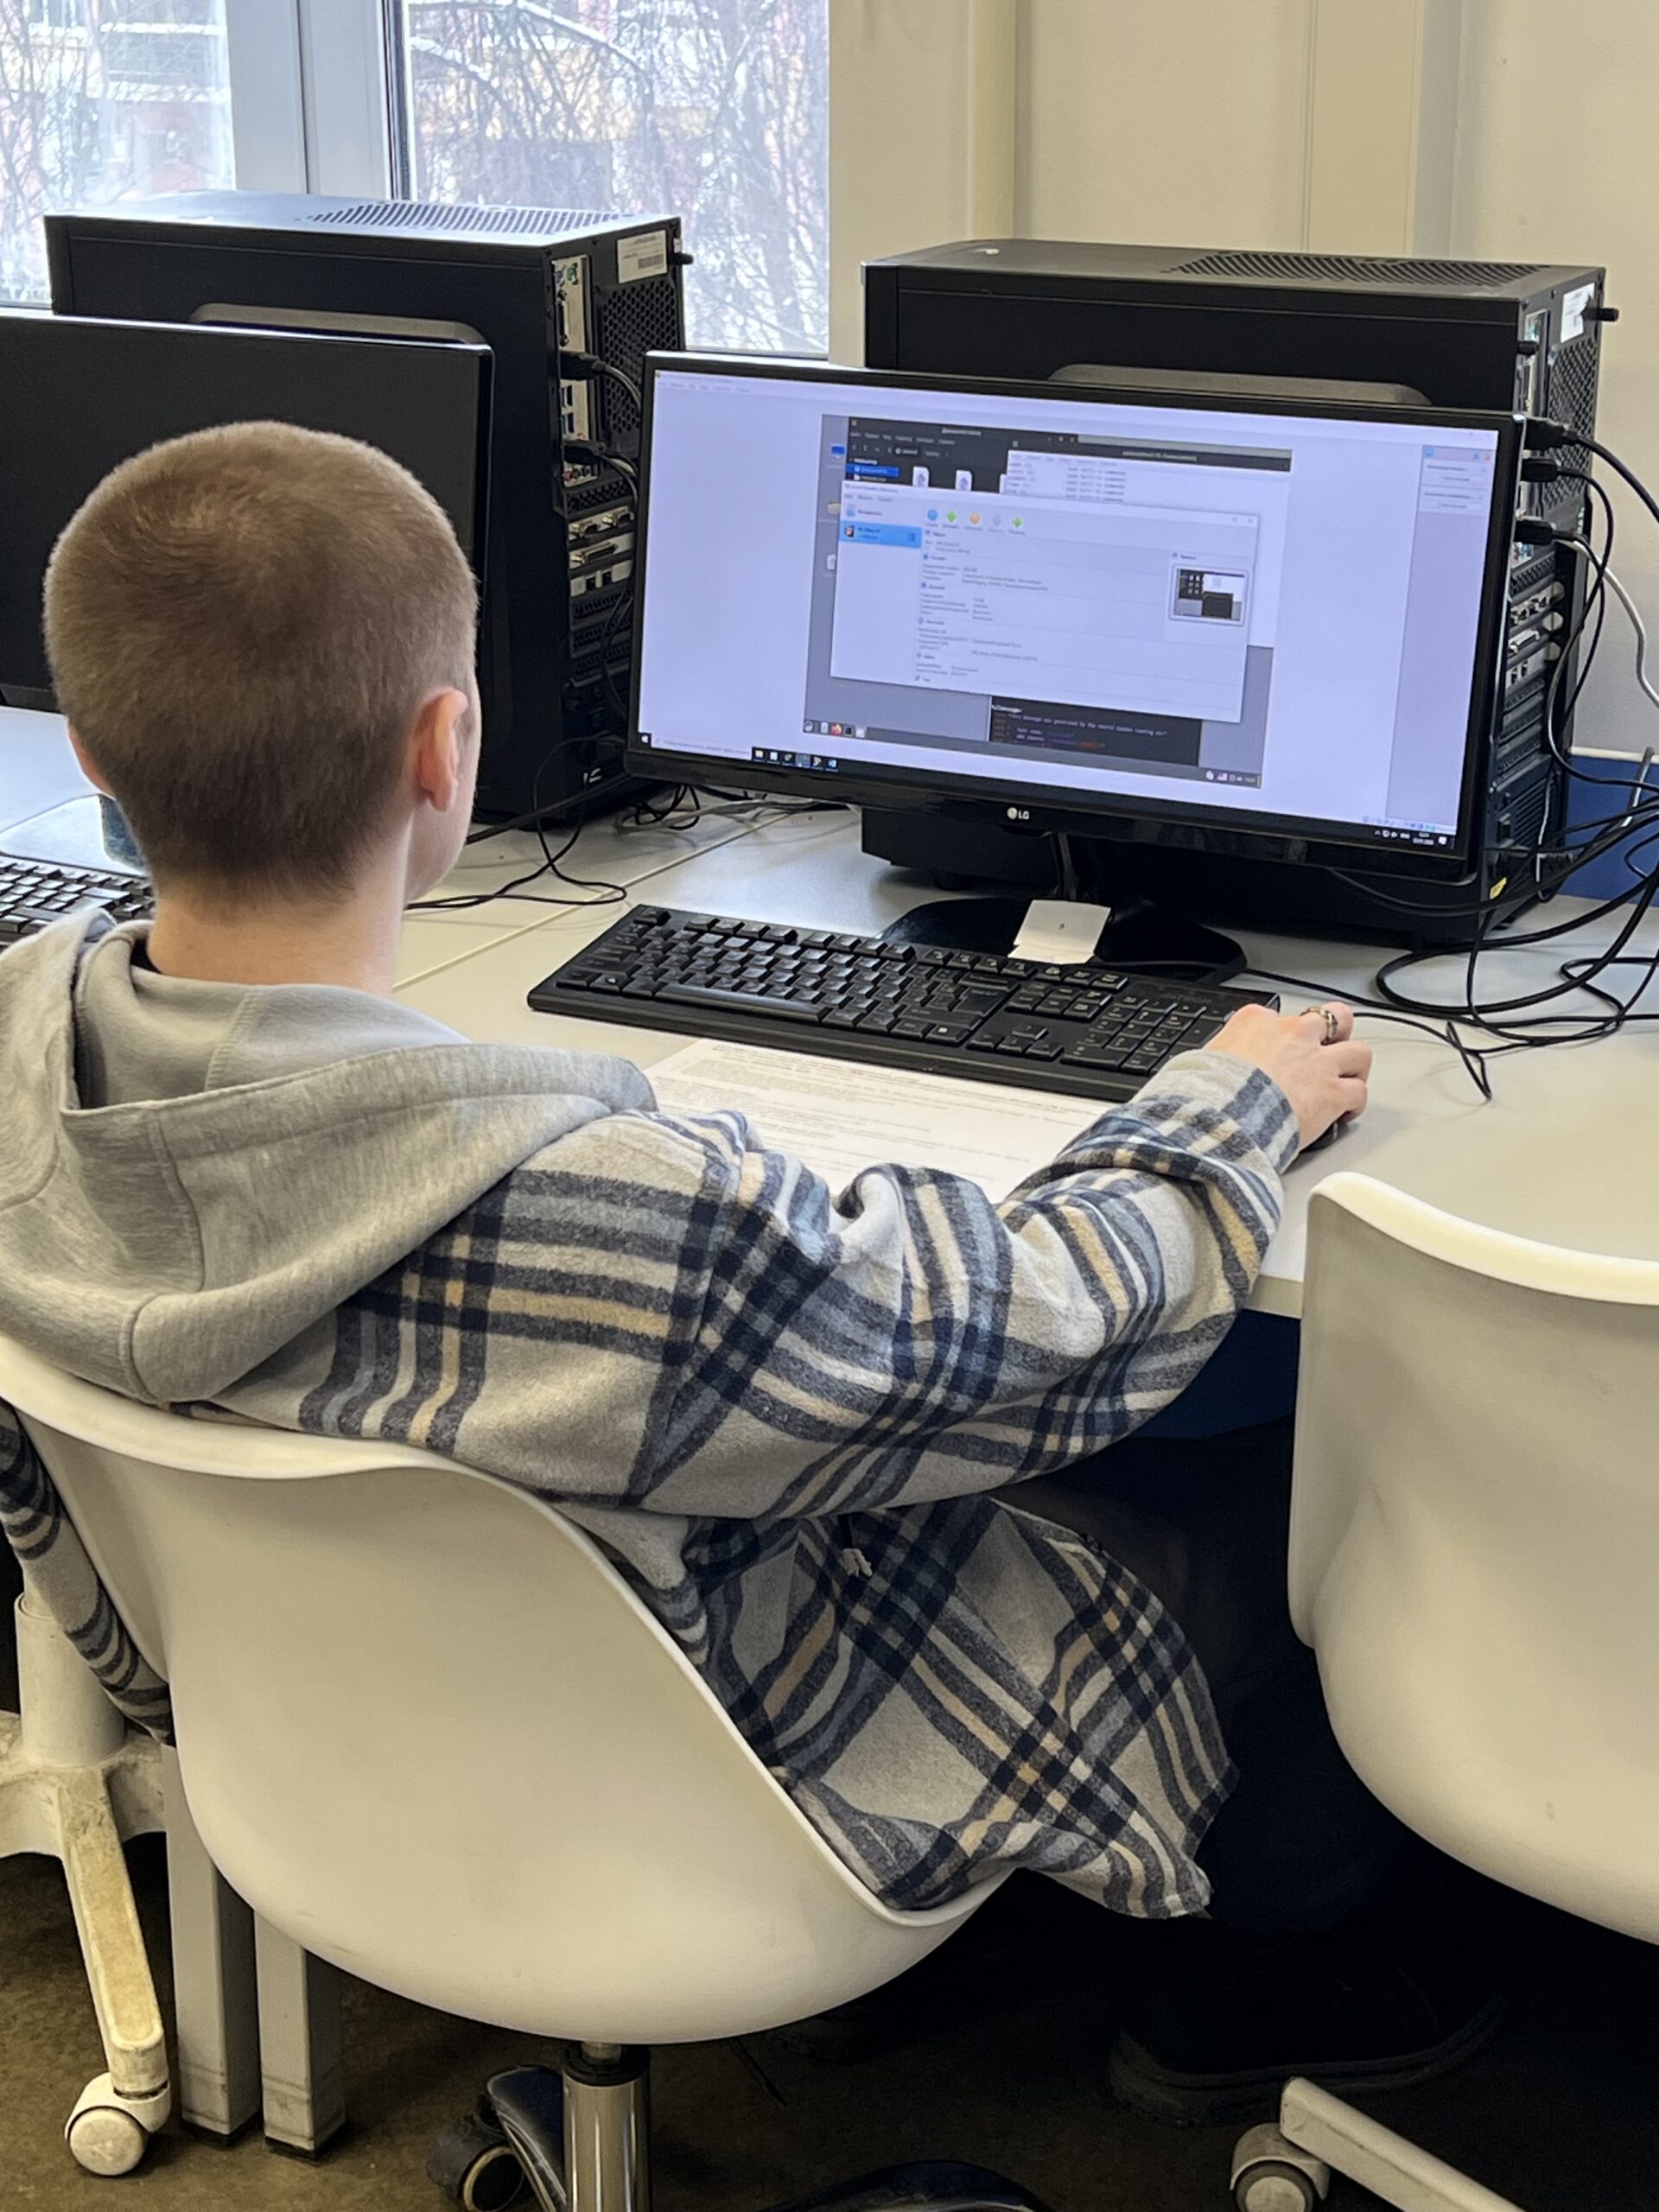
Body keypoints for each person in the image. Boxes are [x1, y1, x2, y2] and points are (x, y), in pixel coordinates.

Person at [0, 424, 1493, 2125]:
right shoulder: (604, 1214)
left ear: (93, 755)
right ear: (445, 745)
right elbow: (1025, 1328)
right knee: (1292, 1482)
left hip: (313, 1762)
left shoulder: (24, 1079)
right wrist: (1232, 1102)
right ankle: (1274, 1971)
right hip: (731, 1795)